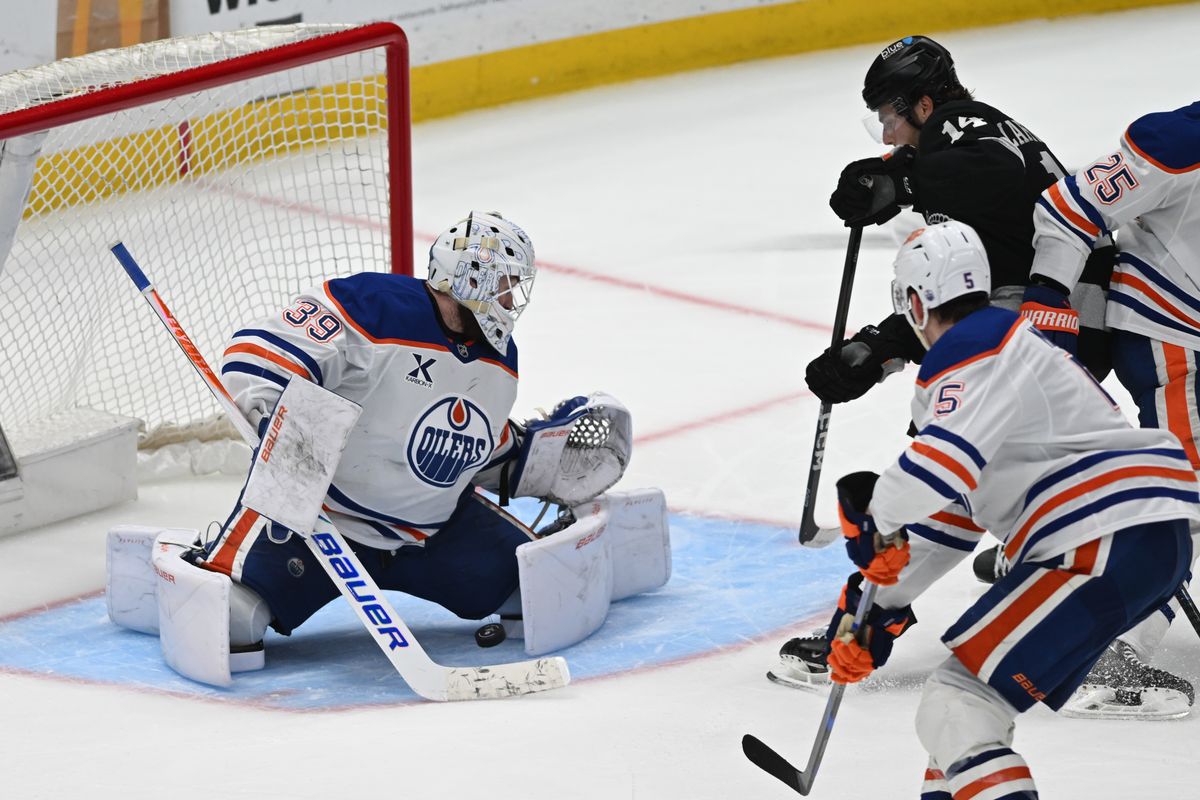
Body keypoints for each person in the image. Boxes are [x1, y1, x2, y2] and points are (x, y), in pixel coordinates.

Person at [106, 211, 648, 681]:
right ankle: (199, 564)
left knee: (539, 593)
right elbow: (258, 354)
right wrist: (275, 405)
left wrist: (526, 459)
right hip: (318, 526)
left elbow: (461, 446)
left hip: (433, 536)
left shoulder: (500, 361)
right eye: (505, 283)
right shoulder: (374, 305)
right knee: (226, 623)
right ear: (473, 277)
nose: (511, 299)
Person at [772, 33, 1112, 691]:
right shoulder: (966, 140)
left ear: (924, 105)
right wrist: (875, 351)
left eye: (891, 116)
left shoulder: (968, 134)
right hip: (1060, 326)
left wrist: (900, 178)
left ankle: (869, 621)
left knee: (945, 476)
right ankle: (885, 611)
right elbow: (968, 293)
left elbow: (990, 180)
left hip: (1050, 328)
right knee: (979, 481)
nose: (885, 131)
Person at [822, 221, 1196, 797]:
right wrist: (872, 612)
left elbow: (940, 467)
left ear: (916, 302)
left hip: (1099, 534)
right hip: (1136, 538)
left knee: (957, 700)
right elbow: (951, 517)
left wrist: (875, 517)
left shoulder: (975, 347)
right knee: (962, 719)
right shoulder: (1012, 354)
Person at [1020, 101, 1200, 717]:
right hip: (1170, 335)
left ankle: (1068, 548)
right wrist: (1048, 299)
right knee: (1189, 498)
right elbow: (1067, 207)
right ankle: (1104, 644)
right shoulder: (1175, 141)